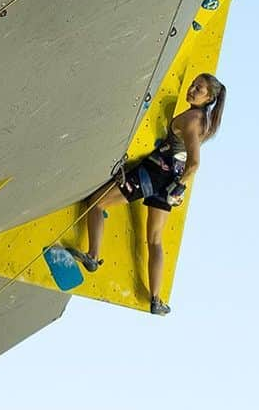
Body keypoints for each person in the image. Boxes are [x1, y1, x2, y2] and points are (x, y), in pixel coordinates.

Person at [69, 73, 226, 314]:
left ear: (209, 98)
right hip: (168, 182)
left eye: (199, 89)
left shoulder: (193, 119)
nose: (192, 89)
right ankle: (156, 299)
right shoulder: (205, 121)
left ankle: (93, 255)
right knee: (154, 241)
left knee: (97, 204)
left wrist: (180, 184)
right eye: (193, 84)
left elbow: (194, 163)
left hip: (154, 175)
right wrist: (177, 186)